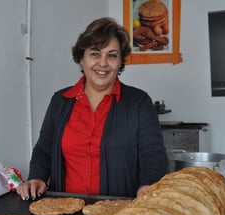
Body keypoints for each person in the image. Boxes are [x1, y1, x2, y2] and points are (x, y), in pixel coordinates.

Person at [16, 17, 168, 200]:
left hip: (119, 212)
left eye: (111, 55)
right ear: (82, 58)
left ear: (120, 61)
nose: (103, 63)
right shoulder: (60, 101)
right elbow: (44, 149)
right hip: (65, 213)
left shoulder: (139, 102)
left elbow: (153, 153)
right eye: (95, 54)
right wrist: (37, 177)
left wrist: (148, 184)